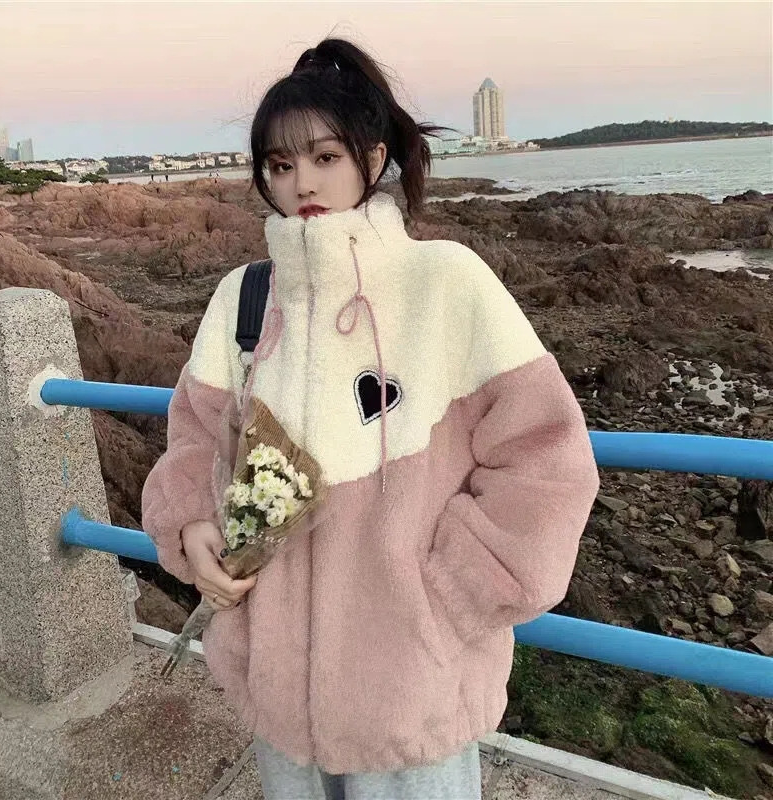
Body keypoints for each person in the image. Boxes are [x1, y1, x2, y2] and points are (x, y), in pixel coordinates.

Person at [141, 37, 600, 800]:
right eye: (280, 165)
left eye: (324, 157)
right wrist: (191, 526)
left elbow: (547, 460)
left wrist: (449, 597)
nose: (301, 183)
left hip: (410, 688)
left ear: (373, 156)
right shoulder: (244, 298)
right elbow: (193, 433)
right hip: (275, 687)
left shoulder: (445, 281)